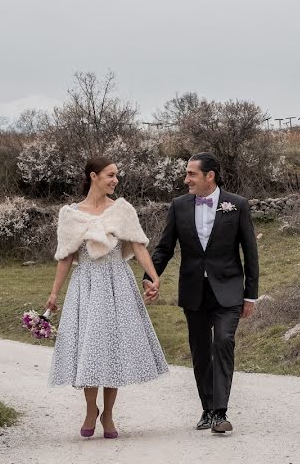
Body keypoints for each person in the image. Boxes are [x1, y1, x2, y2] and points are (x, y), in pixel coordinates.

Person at [46, 156, 169, 439]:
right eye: (110, 175)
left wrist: (152, 276)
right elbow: (65, 257)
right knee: (90, 348)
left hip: (118, 284)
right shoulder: (71, 215)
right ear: (93, 176)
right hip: (86, 285)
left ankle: (110, 414)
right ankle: (92, 409)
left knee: (113, 349)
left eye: (117, 176)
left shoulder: (123, 210)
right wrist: (54, 293)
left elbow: (138, 246)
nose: (115, 180)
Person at [144, 152, 259, 433]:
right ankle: (207, 409)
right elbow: (164, 248)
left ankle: (221, 413)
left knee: (222, 341)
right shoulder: (179, 206)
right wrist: (150, 277)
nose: (186, 180)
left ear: (210, 176)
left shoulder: (238, 205)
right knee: (200, 350)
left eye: (191, 174)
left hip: (229, 290)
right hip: (194, 290)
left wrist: (250, 295)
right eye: (186, 174)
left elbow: (250, 252)